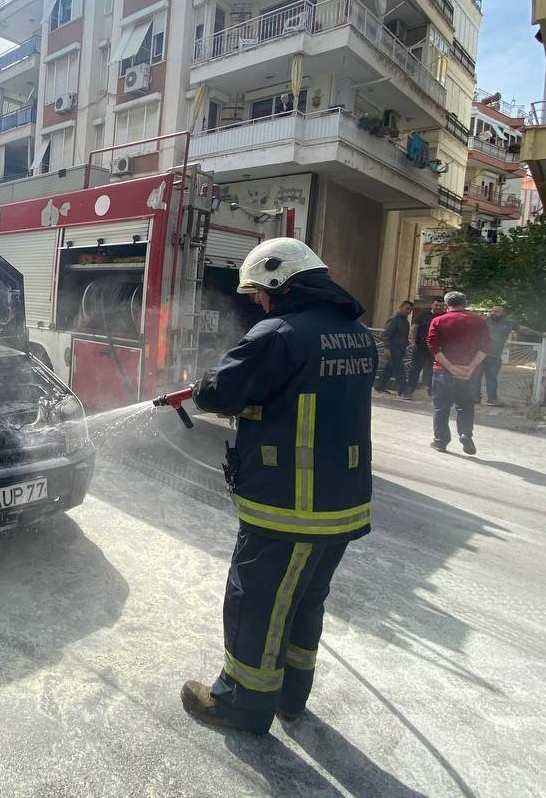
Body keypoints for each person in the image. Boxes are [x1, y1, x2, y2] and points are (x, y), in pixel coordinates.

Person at [181, 238, 376, 735]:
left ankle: (240, 706)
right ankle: (291, 698)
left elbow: (223, 392)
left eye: (260, 293)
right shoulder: (355, 333)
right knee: (305, 601)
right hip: (342, 502)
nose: (258, 303)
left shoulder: (280, 333)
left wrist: (203, 386)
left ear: (278, 280)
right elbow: (303, 399)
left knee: (258, 603)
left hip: (289, 504)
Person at [427, 291, 490, 456]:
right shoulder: (478, 321)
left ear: (447, 305)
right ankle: (465, 435)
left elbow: (433, 346)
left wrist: (450, 367)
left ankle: (440, 442)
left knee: (441, 408)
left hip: (443, 371)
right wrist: (470, 367)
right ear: (465, 303)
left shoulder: (438, 321)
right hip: (469, 373)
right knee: (466, 406)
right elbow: (485, 347)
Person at [478, 304, 520, 406]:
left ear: (503, 313)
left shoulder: (509, 323)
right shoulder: (483, 321)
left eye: (496, 311)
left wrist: (540, 334)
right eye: (491, 311)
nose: (493, 313)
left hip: (494, 357)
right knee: (476, 377)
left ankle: (492, 399)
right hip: (479, 355)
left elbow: (523, 329)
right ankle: (475, 397)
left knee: (492, 378)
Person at [374, 301, 414, 398]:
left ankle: (380, 385)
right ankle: (403, 391)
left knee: (390, 369)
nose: (408, 311)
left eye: (410, 310)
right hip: (393, 349)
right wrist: (386, 348)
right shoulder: (394, 320)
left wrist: (404, 349)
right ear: (400, 307)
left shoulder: (405, 321)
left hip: (400, 349)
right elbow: (386, 334)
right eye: (407, 308)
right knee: (400, 370)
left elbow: (403, 337)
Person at [406, 300, 444, 398]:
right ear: (432, 305)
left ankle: (432, 390)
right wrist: (413, 342)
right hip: (421, 346)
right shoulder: (424, 315)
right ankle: (410, 389)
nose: (438, 308)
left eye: (440, 306)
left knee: (434, 370)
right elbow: (414, 328)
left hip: (436, 349)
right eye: (436, 305)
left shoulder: (444, 317)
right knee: (415, 368)